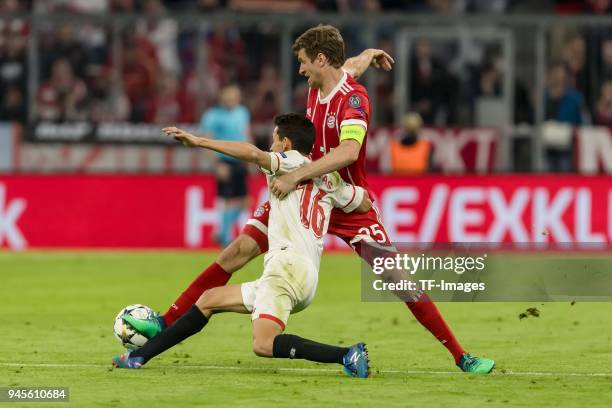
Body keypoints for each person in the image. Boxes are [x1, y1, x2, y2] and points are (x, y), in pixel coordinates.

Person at [129, 25, 493, 374]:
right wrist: (368, 53)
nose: (301, 70)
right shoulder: (323, 82)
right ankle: (166, 321)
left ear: (320, 59)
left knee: (397, 279)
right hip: (304, 193)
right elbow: (349, 65)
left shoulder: (354, 100)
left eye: (304, 61)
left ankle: (461, 356)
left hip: (343, 199)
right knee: (235, 252)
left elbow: (350, 151)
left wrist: (295, 176)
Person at [113, 114, 372, 378]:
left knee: (263, 344)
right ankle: (138, 357)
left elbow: (253, 154)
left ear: (285, 143)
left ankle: (346, 355)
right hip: (302, 273)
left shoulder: (291, 161)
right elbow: (364, 203)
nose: (270, 146)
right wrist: (331, 187)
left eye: (273, 140)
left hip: (286, 269)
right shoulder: (329, 179)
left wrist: (200, 141)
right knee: (209, 300)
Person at [200, 84, 251, 246]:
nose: (232, 100)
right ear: (223, 97)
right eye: (229, 96)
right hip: (225, 161)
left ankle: (221, 231)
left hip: (241, 159)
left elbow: (247, 135)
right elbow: (206, 140)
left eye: (235, 96)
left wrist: (253, 159)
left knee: (245, 201)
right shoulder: (212, 116)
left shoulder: (242, 112)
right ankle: (225, 237)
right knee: (229, 200)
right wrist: (217, 164)